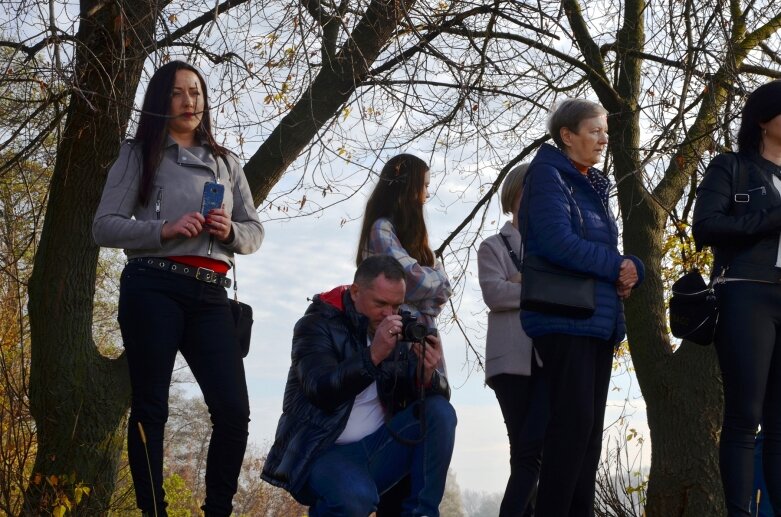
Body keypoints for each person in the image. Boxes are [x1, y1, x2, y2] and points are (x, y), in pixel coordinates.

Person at [93, 61, 264, 516]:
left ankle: (217, 513)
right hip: (153, 287)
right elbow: (103, 227)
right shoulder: (138, 153)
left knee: (233, 413)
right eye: (178, 93)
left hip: (211, 295)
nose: (190, 101)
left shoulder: (227, 162)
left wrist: (229, 232)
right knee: (151, 408)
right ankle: (155, 512)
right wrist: (163, 229)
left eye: (196, 92)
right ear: (160, 101)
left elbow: (254, 232)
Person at [520, 98, 644, 515]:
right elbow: (558, 243)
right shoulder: (548, 176)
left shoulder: (591, 183)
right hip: (564, 319)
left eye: (605, 131)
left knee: (587, 432)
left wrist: (633, 269)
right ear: (567, 136)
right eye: (595, 130)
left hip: (597, 321)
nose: (604, 139)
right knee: (571, 429)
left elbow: (603, 249)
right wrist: (617, 266)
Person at [261, 255, 457, 516]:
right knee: (355, 500)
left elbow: (422, 397)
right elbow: (321, 390)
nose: (389, 314)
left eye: (397, 306)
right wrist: (372, 356)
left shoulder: (398, 328)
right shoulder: (315, 325)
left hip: (378, 447)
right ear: (355, 292)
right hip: (320, 451)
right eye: (381, 304)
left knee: (440, 412)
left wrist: (427, 376)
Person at [693, 80, 781, 516]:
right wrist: (773, 217)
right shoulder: (730, 167)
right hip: (747, 294)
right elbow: (706, 227)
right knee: (745, 417)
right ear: (764, 120)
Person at [355, 153, 453, 515]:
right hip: (396, 346)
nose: (426, 194)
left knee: (429, 436)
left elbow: (434, 291)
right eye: (424, 185)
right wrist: (430, 283)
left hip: (423, 343)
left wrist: (429, 286)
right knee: (404, 434)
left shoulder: (415, 240)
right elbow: (415, 280)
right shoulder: (381, 228)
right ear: (408, 187)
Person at [478, 163, 547, 517]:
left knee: (530, 450)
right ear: (515, 195)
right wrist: (536, 287)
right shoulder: (492, 246)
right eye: (530, 190)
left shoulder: (550, 244)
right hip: (509, 364)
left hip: (548, 360)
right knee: (525, 449)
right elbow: (495, 294)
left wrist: (522, 282)